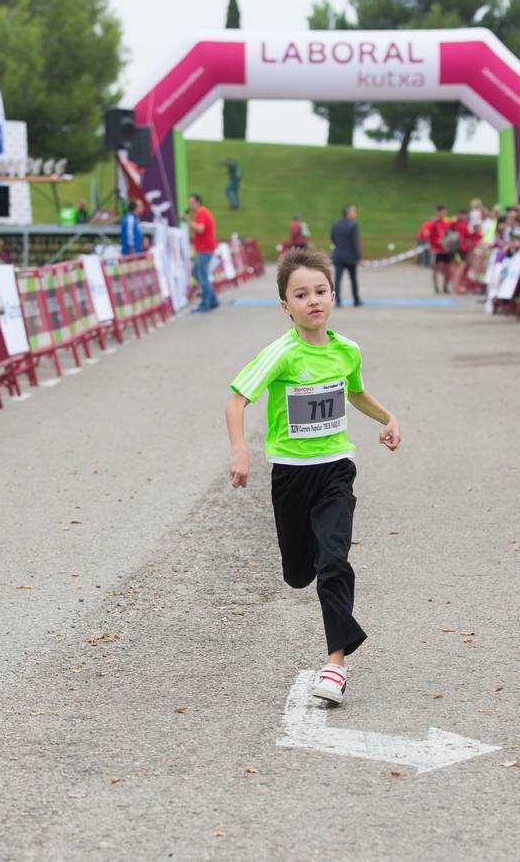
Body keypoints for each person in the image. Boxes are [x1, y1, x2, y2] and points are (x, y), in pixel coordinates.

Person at [224, 248, 401, 706]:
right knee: (299, 572)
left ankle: (336, 664)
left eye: (320, 291)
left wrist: (387, 417)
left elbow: (355, 393)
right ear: (286, 306)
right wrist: (241, 450)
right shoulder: (281, 353)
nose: (313, 300)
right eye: (300, 294)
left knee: (334, 562)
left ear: (333, 295)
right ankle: (321, 603)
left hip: (335, 470)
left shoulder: (347, 350)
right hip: (290, 476)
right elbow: (237, 400)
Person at [185, 193, 219, 312]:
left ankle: (206, 303)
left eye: (192, 203)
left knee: (202, 275)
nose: (190, 205)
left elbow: (200, 228)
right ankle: (213, 299)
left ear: (198, 202)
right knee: (197, 273)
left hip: (205, 249)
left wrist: (188, 221)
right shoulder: (201, 212)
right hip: (203, 248)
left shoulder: (201, 212)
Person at [329, 205, 362, 307]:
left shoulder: (335, 225)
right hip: (350, 257)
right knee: (353, 279)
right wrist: (358, 257)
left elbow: (333, 239)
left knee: (337, 280)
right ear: (348, 213)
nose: (355, 214)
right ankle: (356, 300)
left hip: (338, 256)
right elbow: (355, 243)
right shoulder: (353, 225)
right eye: (353, 212)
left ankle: (338, 301)